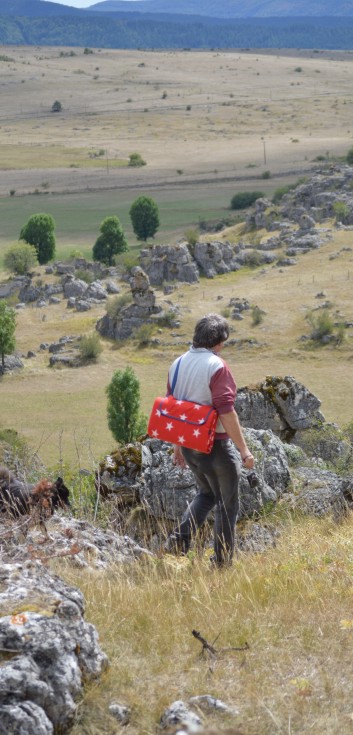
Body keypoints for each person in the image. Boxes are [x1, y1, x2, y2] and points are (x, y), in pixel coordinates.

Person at [165, 313, 254, 567]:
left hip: (190, 444)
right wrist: (244, 450)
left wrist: (178, 445)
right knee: (228, 504)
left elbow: (173, 408)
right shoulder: (217, 366)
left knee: (206, 494)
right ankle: (222, 561)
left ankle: (179, 542)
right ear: (218, 341)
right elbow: (226, 411)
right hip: (217, 447)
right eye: (223, 342)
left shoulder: (177, 364)